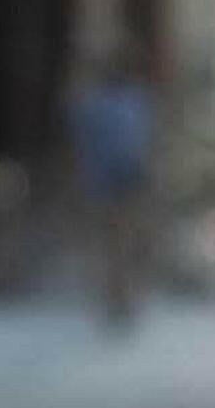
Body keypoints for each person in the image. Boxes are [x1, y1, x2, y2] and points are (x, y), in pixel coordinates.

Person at [66, 36, 157, 328]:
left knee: (118, 243)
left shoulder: (112, 102)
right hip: (116, 181)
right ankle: (118, 298)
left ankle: (121, 298)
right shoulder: (129, 102)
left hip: (118, 181)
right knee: (117, 243)